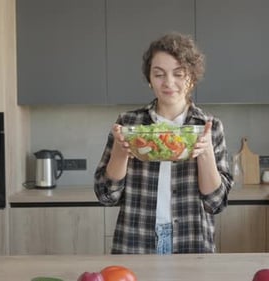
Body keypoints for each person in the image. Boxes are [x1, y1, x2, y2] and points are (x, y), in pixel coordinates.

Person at [94, 32, 233, 254]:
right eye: (159, 74)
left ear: (192, 78)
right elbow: (106, 196)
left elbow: (216, 203)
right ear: (149, 79)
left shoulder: (208, 127)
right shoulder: (129, 125)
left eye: (179, 74)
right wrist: (120, 154)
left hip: (192, 241)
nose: (169, 83)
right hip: (135, 240)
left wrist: (205, 152)